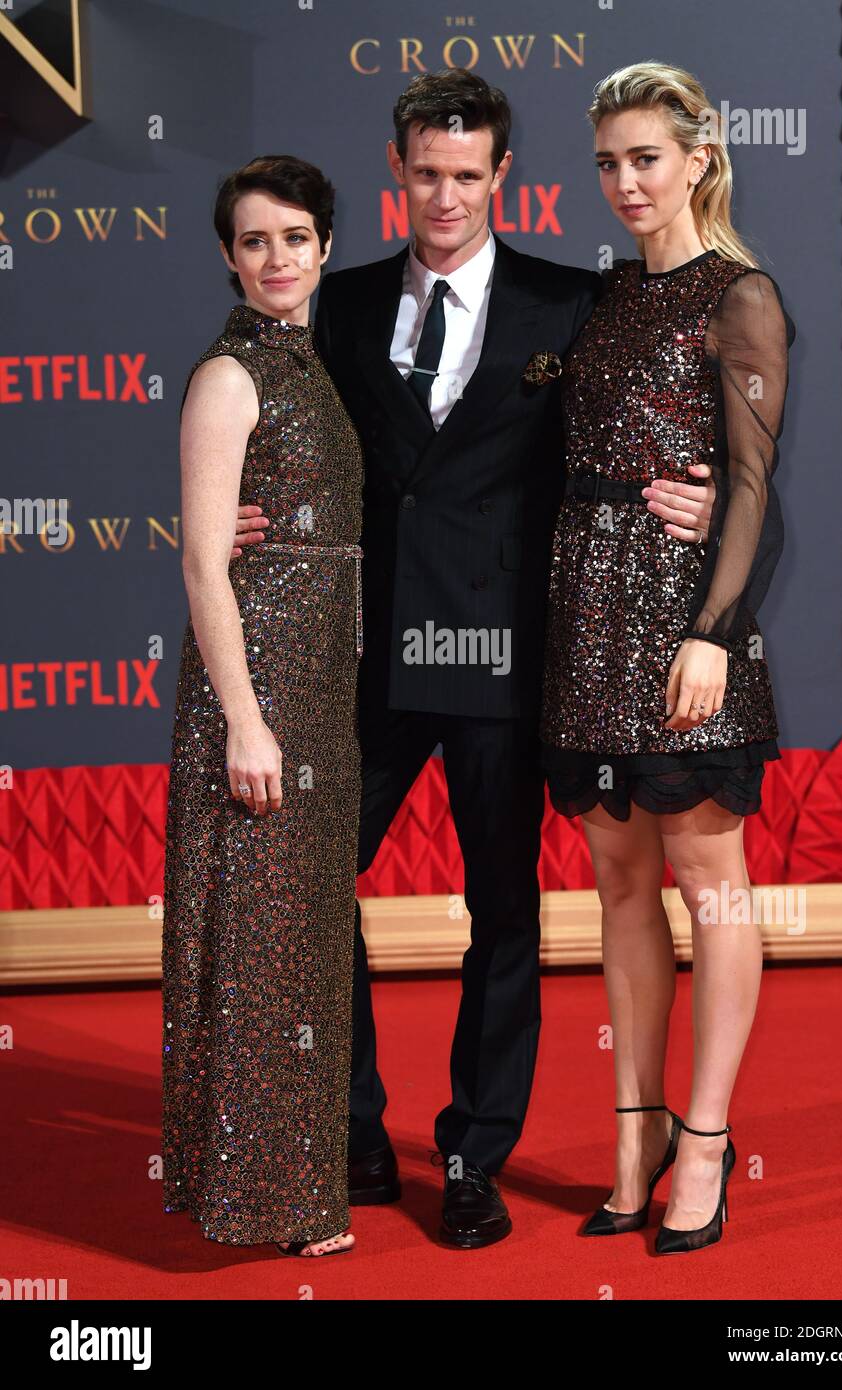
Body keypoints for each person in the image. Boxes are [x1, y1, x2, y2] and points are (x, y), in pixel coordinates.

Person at [232, 70, 715, 1249]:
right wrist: (242, 511)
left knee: (502, 912)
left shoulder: (573, 300)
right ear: (397, 170)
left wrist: (700, 491)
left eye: (467, 174)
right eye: (424, 171)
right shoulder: (332, 306)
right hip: (365, 657)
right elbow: (262, 418)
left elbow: (650, 413)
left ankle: (470, 1154)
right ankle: (352, 1130)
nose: (444, 194)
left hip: (505, 657)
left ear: (502, 177)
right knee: (310, 889)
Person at [540, 62, 795, 1253]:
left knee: (712, 881)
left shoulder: (739, 296)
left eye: (646, 156)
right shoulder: (594, 304)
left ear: (698, 156)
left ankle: (705, 1139)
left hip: (690, 631)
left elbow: (749, 484)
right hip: (586, 628)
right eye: (607, 161)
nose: (625, 181)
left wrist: (710, 630)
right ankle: (631, 1136)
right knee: (622, 890)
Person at [161, 155, 363, 1259]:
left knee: (299, 952)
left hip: (318, 690)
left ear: (324, 246)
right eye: (254, 241)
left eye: (294, 237)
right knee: (257, 946)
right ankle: (256, 1198)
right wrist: (244, 716)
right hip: (261, 694)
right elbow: (201, 563)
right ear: (227, 256)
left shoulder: (310, 367)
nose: (276, 258)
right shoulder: (229, 376)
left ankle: (279, 1193)